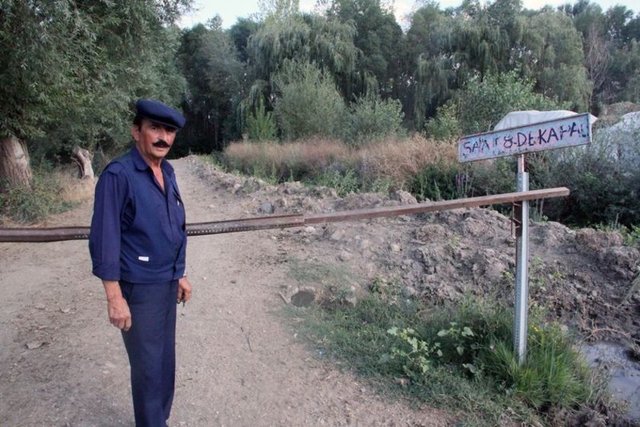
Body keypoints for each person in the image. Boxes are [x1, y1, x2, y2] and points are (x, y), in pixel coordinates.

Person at [89, 99, 193, 427]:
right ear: (137, 132)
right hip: (138, 287)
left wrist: (180, 274)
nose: (163, 137)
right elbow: (105, 239)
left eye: (169, 131)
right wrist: (114, 297)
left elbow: (172, 227)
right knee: (148, 369)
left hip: (165, 283)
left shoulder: (168, 171)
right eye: (155, 128)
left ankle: (157, 421)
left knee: (164, 363)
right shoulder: (118, 175)